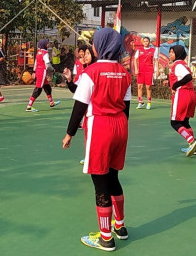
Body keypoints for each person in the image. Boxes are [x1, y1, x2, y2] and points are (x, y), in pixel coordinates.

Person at [62, 27, 132, 252]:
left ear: (100, 46)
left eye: (94, 42)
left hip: (100, 126)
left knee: (100, 181)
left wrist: (69, 133)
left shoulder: (90, 72)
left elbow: (79, 106)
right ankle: (120, 227)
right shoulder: (124, 73)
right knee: (113, 177)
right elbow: (127, 107)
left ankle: (105, 238)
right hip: (121, 125)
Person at [168, 45, 196, 157]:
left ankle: (191, 140)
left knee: (174, 122)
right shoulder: (184, 64)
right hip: (191, 94)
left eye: (172, 52)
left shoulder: (177, 65)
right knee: (185, 122)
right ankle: (194, 148)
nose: (170, 54)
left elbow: (187, 77)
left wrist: (175, 85)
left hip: (182, 94)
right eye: (170, 52)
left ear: (178, 53)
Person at [25, 39, 60, 112]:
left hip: (38, 71)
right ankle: (29, 106)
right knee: (38, 89)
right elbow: (47, 64)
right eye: (47, 43)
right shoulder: (45, 53)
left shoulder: (39, 52)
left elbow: (36, 62)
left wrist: (34, 71)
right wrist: (52, 69)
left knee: (47, 87)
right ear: (44, 44)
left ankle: (51, 102)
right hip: (42, 72)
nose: (48, 44)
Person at [133, 37, 159, 110]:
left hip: (149, 70)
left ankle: (149, 102)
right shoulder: (139, 50)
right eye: (144, 41)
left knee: (148, 87)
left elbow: (156, 60)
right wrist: (136, 68)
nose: (145, 42)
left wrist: (157, 70)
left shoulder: (153, 50)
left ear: (149, 42)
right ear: (142, 42)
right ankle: (140, 102)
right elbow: (135, 59)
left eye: (147, 41)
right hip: (141, 70)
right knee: (139, 86)